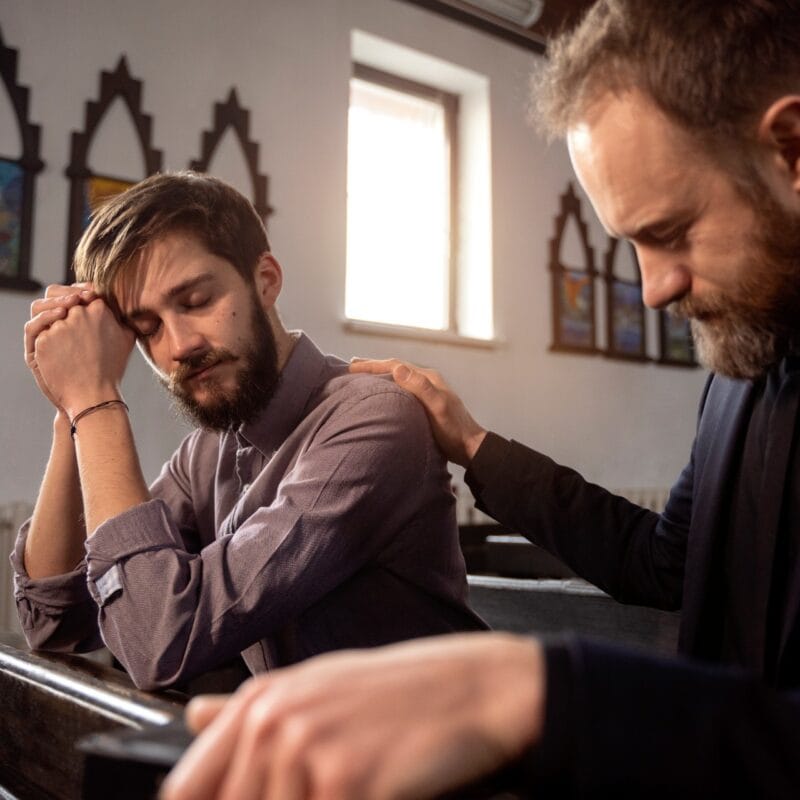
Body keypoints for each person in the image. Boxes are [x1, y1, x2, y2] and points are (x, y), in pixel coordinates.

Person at [160, 1, 800, 797]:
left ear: (792, 149)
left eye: (671, 231)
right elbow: (666, 565)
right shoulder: (743, 369)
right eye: (630, 243)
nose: (654, 287)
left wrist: (534, 691)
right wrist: (473, 444)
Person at [13, 171, 486, 691]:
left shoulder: (374, 418)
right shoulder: (206, 453)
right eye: (147, 328)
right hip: (311, 758)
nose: (178, 346)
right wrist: (72, 411)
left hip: (436, 763)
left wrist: (96, 400)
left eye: (195, 301)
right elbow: (55, 623)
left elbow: (159, 641)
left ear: (265, 281)